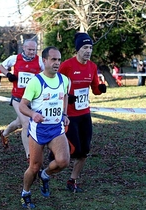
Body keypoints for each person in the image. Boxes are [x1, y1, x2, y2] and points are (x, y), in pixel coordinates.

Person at [18, 46, 70, 208]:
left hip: (56, 128)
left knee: (63, 161)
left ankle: (45, 175)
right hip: (38, 130)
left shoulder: (64, 80)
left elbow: (65, 96)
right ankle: (25, 193)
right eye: (53, 59)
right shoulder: (36, 81)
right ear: (44, 61)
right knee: (34, 167)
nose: (57, 63)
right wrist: (33, 114)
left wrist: (65, 114)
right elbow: (22, 106)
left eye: (59, 60)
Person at [58, 32, 107, 193]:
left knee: (84, 150)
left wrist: (101, 89)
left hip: (84, 113)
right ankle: (53, 158)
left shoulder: (92, 67)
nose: (88, 51)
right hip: (69, 115)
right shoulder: (66, 65)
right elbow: (56, 86)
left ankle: (72, 180)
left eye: (90, 48)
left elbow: (94, 89)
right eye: (85, 47)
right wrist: (67, 97)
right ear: (78, 49)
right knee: (74, 150)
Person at [0, 39, 44, 159]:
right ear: (23, 48)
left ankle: (4, 133)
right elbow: (0, 66)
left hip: (32, 99)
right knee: (26, 123)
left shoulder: (39, 60)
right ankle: (29, 156)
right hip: (18, 98)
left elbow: (47, 73)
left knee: (18, 123)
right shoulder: (15, 58)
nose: (32, 52)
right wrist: (8, 74)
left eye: (34, 50)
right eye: (29, 49)